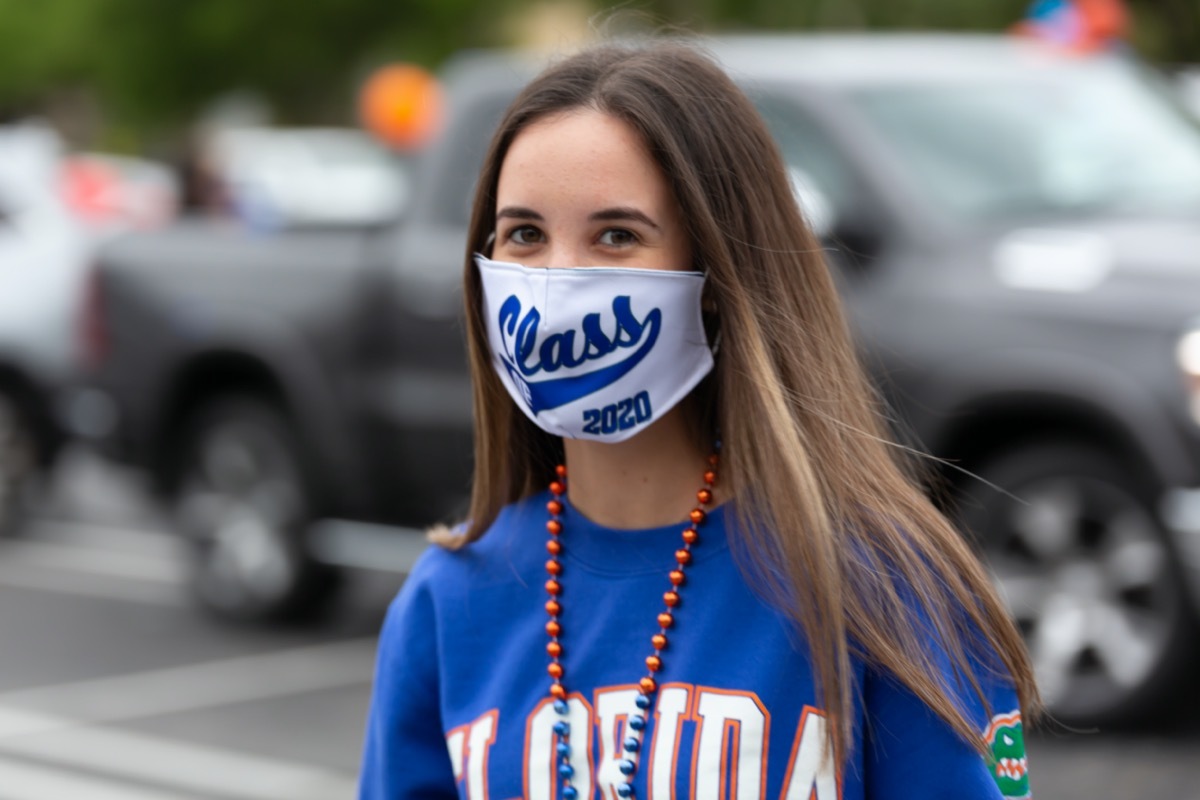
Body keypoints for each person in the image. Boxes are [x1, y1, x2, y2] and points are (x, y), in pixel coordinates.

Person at [359, 40, 1038, 800]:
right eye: (524, 234)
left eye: (616, 236)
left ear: (715, 272)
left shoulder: (882, 587)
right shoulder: (447, 601)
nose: (553, 283)